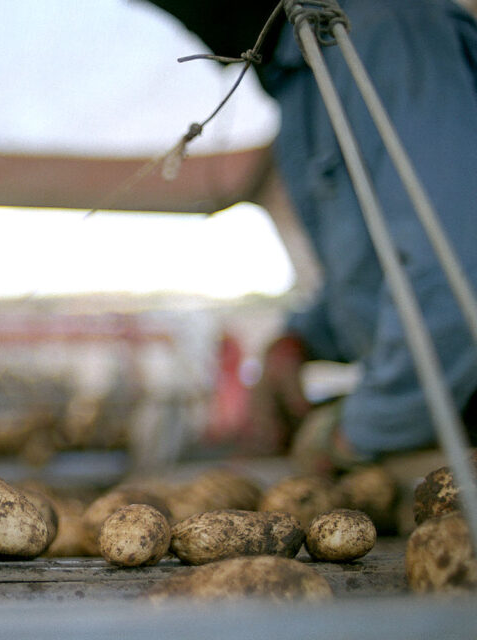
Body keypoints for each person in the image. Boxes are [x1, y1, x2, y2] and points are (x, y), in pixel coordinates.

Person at [139, 0, 477, 473]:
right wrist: (297, 342)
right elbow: (370, 285)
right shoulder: (299, 85)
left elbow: (454, 274)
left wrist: (353, 433)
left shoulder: (385, 29)